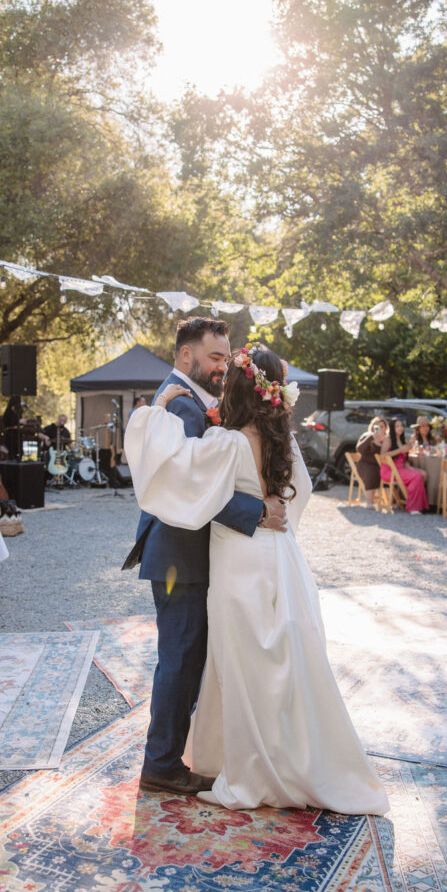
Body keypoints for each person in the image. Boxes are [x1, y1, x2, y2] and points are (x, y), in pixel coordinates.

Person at [125, 344, 388, 815]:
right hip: (280, 558)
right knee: (284, 662)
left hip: (238, 564)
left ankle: (252, 768)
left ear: (243, 388)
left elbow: (181, 476)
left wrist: (155, 413)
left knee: (240, 667)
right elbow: (298, 496)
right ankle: (297, 759)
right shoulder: (284, 441)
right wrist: (271, 519)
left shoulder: (225, 441)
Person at [122, 318, 288, 797]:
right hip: (180, 554)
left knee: (188, 658)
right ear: (185, 356)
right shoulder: (178, 405)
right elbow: (191, 486)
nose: (224, 365)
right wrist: (256, 512)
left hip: (189, 552)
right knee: (180, 658)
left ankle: (171, 756)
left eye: (226, 356)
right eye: (215, 357)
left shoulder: (193, 401)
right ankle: (161, 765)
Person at [379, 416, 429, 514]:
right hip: (390, 470)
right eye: (397, 426)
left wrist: (409, 446)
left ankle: (415, 500)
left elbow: (403, 457)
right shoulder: (388, 439)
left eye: (401, 425)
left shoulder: (401, 439)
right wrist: (400, 450)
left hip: (401, 468)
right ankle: (413, 507)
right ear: (392, 428)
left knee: (423, 474)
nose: (400, 428)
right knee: (417, 476)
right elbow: (382, 456)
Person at [355, 416, 388, 507]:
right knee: (372, 472)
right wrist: (372, 437)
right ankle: (370, 501)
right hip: (366, 464)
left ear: (386, 428)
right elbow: (359, 449)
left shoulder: (387, 439)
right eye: (377, 426)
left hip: (382, 465)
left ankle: (390, 501)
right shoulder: (367, 436)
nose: (380, 429)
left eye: (382, 426)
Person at [0, 395, 23, 460]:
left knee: (19, 452)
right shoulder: (8, 413)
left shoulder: (17, 412)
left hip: (17, 435)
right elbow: (10, 423)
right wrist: (19, 422)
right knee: (11, 453)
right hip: (10, 435)